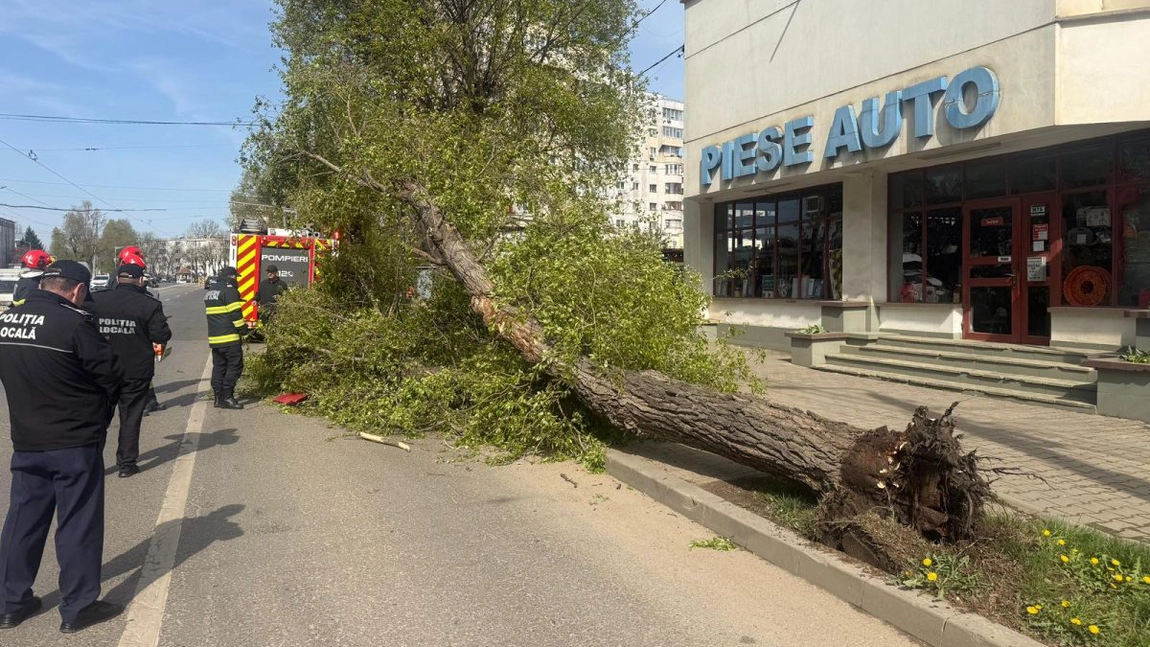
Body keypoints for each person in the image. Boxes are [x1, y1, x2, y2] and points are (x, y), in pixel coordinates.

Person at [0, 260, 124, 633]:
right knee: (78, 524)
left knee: (22, 522)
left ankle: (9, 604)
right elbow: (111, 374)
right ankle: (78, 607)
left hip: (27, 440)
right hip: (74, 442)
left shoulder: (7, 322)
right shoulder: (74, 324)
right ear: (78, 290)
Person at [90, 260, 172, 478]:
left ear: (118, 279)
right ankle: (126, 464)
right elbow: (161, 335)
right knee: (130, 417)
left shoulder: (96, 300)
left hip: (101, 370)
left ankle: (91, 464)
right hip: (135, 371)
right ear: (140, 280)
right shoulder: (149, 304)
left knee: (97, 418)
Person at [117, 248, 167, 415]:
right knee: (135, 372)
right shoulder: (119, 282)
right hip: (131, 332)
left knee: (145, 370)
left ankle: (150, 400)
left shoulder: (121, 277)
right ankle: (139, 405)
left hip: (138, 329)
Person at [204, 266, 247, 409]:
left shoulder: (211, 291)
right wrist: (243, 330)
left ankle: (218, 398)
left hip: (215, 339)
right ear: (232, 277)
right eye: (235, 277)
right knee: (235, 366)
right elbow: (235, 314)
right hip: (229, 338)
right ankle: (227, 396)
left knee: (219, 367)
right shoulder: (230, 291)